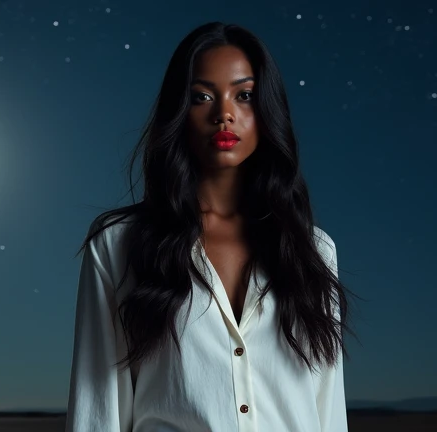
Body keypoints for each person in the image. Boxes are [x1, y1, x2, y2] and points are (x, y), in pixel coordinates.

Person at [66, 21, 355, 432]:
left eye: (245, 96)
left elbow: (328, 406)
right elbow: (97, 409)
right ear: (178, 112)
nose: (224, 114)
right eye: (201, 97)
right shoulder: (118, 244)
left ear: (267, 110)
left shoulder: (314, 249)